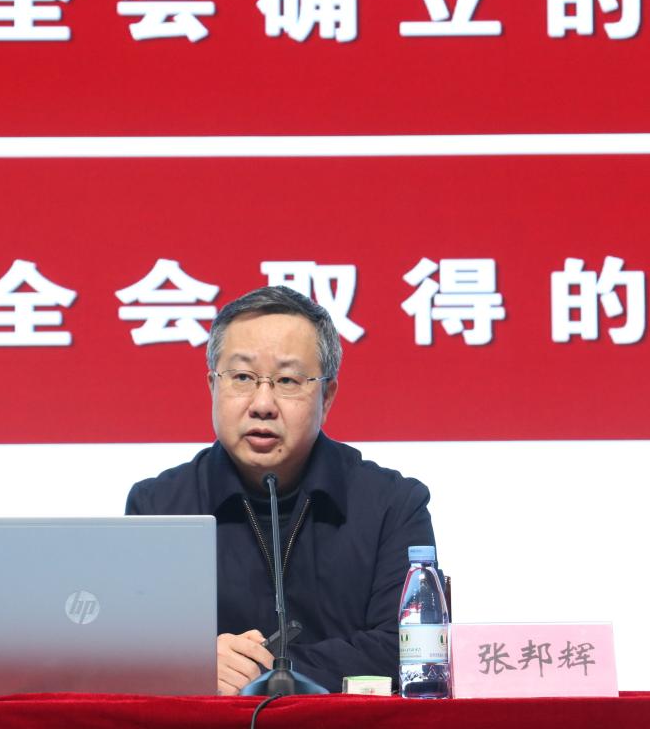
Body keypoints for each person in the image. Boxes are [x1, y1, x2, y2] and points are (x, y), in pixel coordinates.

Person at [125, 286, 436, 694]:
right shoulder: (158, 506)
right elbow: (135, 652)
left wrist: (262, 670)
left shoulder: (392, 505)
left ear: (327, 396)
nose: (262, 404)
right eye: (242, 377)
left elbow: (410, 651)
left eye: (287, 380)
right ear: (212, 386)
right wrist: (191, 662)